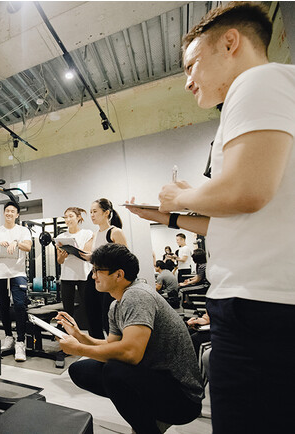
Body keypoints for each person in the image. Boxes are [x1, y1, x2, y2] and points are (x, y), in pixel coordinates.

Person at [127, 3, 295, 432]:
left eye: (192, 65)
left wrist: (180, 196)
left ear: (230, 43)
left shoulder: (256, 80)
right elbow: (234, 216)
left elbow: (247, 191)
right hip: (255, 304)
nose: (187, 81)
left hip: (260, 306)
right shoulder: (261, 92)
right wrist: (166, 217)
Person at [56, 243, 203, 433]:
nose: (93, 276)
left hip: (182, 397)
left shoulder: (136, 296)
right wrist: (79, 336)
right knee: (81, 370)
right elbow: (113, 346)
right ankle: (146, 410)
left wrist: (78, 349)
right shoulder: (117, 304)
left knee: (114, 372)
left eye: (98, 271)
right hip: (155, 376)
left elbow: (130, 353)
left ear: (119, 274)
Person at [0, 201, 32, 361]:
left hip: (17, 273)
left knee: (19, 305)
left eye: (12, 211)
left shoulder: (23, 230)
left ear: (17, 214)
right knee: (3, 307)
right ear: (4, 213)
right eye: (7, 211)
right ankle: (8, 336)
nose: (9, 213)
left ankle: (20, 341)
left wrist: (16, 243)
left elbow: (28, 247)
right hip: (0, 273)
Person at [80, 198, 127, 338]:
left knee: (108, 316)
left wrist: (97, 257)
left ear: (106, 213)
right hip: (94, 275)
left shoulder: (115, 232)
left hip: (109, 277)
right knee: (91, 314)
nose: (92, 215)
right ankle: (97, 345)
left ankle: (113, 345)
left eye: (95, 211)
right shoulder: (95, 234)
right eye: (90, 212)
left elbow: (124, 258)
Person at [55, 207, 93, 333]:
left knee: (89, 307)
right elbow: (60, 261)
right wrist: (63, 255)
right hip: (67, 276)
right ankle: (68, 336)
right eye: (65, 217)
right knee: (68, 310)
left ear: (78, 217)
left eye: (71, 216)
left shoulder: (87, 233)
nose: (68, 219)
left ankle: (93, 337)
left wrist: (74, 250)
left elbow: (87, 254)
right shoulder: (61, 237)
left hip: (84, 275)